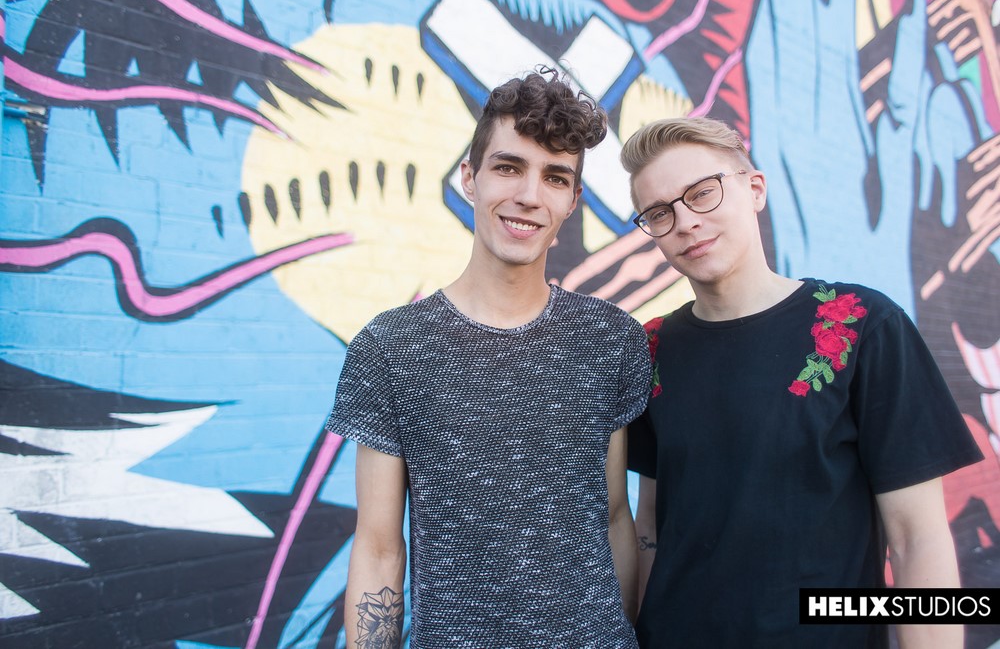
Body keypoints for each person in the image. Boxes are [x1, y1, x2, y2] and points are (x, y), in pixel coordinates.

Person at [619, 116, 983, 649]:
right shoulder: (650, 348)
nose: (686, 222)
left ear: (755, 188)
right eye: (659, 212)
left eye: (702, 193)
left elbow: (918, 539)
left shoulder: (862, 324)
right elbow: (650, 526)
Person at [325, 67, 651, 648]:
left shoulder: (611, 340)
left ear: (572, 201)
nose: (529, 195)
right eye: (508, 167)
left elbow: (613, 516)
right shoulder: (391, 347)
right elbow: (377, 548)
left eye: (555, 177)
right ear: (469, 178)